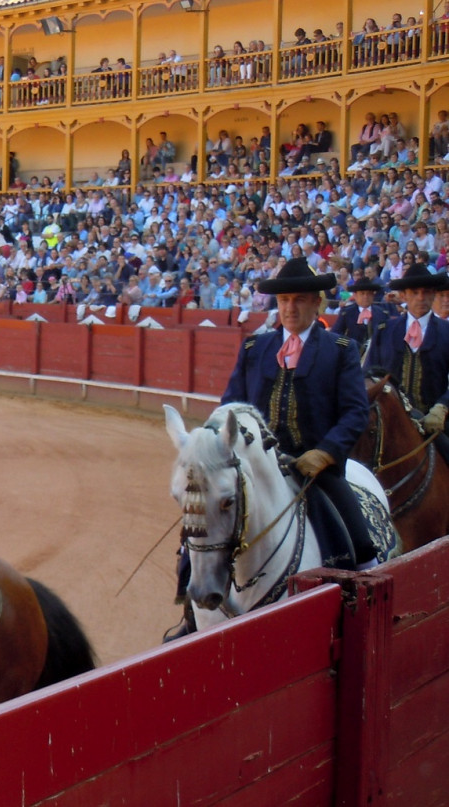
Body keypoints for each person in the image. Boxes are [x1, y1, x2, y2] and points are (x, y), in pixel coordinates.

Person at [166, 259, 378, 640]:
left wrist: (325, 452)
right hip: (255, 468)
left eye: (299, 299)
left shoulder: (340, 349)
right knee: (200, 529)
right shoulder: (256, 347)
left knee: (357, 540)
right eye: (284, 300)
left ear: (318, 304)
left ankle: (364, 607)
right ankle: (191, 614)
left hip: (316, 470)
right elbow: (229, 405)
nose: (291, 308)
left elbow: (354, 412)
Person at [364, 263, 449, 467]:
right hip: (388, 423)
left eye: (426, 292)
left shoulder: (447, 332)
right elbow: (367, 374)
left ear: (433, 295)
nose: (421, 298)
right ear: (404, 296)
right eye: (414, 292)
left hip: (434, 424)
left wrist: (442, 407)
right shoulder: (385, 330)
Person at [329, 277, 389, 353]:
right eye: (362, 293)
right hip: (353, 354)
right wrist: (350, 344)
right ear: (355, 295)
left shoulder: (382, 313)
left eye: (369, 293)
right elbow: (335, 334)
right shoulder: (347, 312)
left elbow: (388, 336)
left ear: (373, 295)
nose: (366, 297)